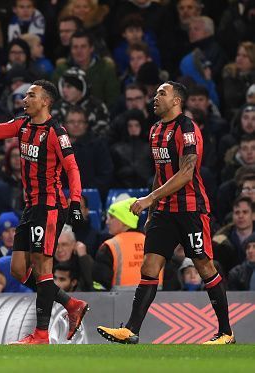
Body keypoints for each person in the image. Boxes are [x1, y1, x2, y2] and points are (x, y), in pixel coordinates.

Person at [97, 81, 234, 345]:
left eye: (162, 93)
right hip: (163, 211)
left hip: (191, 208)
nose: (155, 98)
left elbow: (186, 173)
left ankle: (226, 332)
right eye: (156, 93)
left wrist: (149, 199)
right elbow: (160, 174)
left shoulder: (188, 128)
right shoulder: (155, 130)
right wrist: (152, 211)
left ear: (176, 101)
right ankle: (132, 330)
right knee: (149, 266)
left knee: (204, 266)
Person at [0, 79, 88, 344]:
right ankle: (71, 304)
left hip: (50, 206)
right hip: (30, 207)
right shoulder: (23, 125)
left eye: (31, 95)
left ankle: (41, 334)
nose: (25, 99)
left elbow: (72, 168)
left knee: (42, 267)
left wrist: (75, 201)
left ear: (45, 101)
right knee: (18, 270)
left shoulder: (56, 132)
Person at [93, 198, 150, 292]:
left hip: (118, 303)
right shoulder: (151, 242)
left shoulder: (109, 246)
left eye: (111, 217)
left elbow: (100, 285)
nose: (107, 222)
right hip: (155, 303)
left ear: (123, 221)